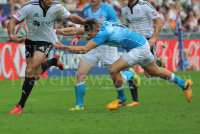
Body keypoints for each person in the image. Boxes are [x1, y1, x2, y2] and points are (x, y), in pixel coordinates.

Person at [53, 19, 193, 110]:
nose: (88, 37)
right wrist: (56, 32)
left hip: (138, 48)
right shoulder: (98, 25)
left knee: (113, 69)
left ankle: (122, 97)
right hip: (140, 43)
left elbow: (84, 49)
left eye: (89, 35)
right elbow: (76, 30)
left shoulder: (102, 33)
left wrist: (63, 47)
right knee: (154, 71)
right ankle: (184, 83)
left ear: (95, 30)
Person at [8, 0, 86, 114]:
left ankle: (20, 105)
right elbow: (12, 20)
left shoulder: (57, 6)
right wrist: (11, 35)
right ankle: (53, 62)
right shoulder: (29, 6)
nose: (50, 0)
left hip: (47, 40)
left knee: (29, 69)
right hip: (30, 40)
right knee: (34, 75)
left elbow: (71, 17)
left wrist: (85, 23)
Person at [67, 0, 139, 110]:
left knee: (118, 77)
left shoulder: (109, 10)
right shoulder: (86, 10)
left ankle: (130, 76)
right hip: (92, 46)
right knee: (80, 73)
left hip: (107, 47)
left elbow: (117, 27)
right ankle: (79, 105)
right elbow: (86, 27)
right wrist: (77, 37)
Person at [121, 0, 166, 106]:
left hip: (147, 40)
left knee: (149, 73)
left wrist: (153, 38)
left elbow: (159, 20)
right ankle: (135, 101)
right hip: (134, 41)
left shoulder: (145, 5)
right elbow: (125, 26)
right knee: (130, 68)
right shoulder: (124, 9)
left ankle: (158, 61)